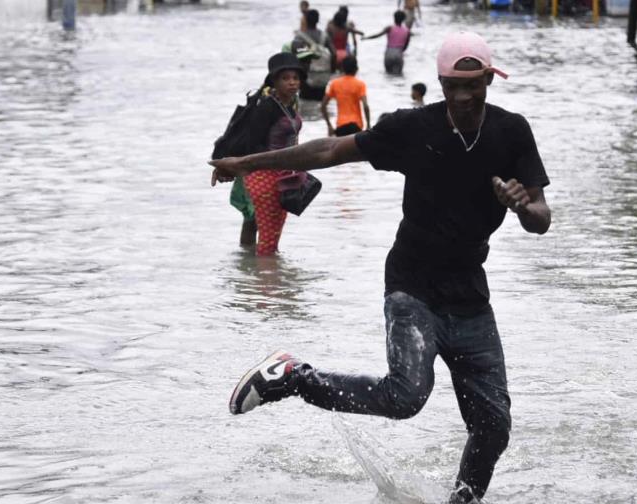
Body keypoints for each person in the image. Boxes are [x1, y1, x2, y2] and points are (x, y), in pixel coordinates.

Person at [211, 32, 552, 504]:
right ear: (441, 83)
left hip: (470, 295)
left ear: (490, 80)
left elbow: (541, 218)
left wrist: (521, 207)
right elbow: (331, 150)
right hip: (412, 285)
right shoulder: (414, 129)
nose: (465, 96)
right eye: (455, 86)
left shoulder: (512, 132)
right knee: (406, 396)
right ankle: (292, 377)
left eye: (475, 85)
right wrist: (247, 163)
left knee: (494, 426)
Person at [234, 52, 307, 255]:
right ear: (274, 81)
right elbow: (253, 144)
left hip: (284, 176)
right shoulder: (267, 108)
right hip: (264, 176)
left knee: (273, 237)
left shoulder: (290, 105)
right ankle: (265, 282)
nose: (292, 83)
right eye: (285, 79)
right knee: (267, 239)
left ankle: (259, 275)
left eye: (295, 78)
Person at [292, 9, 337, 101]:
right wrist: (332, 71)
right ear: (318, 20)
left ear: (306, 20)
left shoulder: (300, 37)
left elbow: (294, 56)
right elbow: (334, 54)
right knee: (320, 101)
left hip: (306, 76)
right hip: (323, 76)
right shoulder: (324, 36)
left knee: (305, 104)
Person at [321, 56, 370, 137]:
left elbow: (323, 106)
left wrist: (329, 125)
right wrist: (368, 124)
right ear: (356, 69)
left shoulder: (334, 83)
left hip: (341, 126)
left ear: (342, 69)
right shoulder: (360, 84)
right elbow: (365, 106)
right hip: (356, 125)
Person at [363, 11, 411, 75]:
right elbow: (406, 46)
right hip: (399, 53)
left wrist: (366, 38)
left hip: (389, 53)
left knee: (388, 74)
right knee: (399, 75)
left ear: (394, 18)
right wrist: (400, 51)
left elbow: (377, 35)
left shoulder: (389, 28)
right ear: (403, 19)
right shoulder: (407, 31)